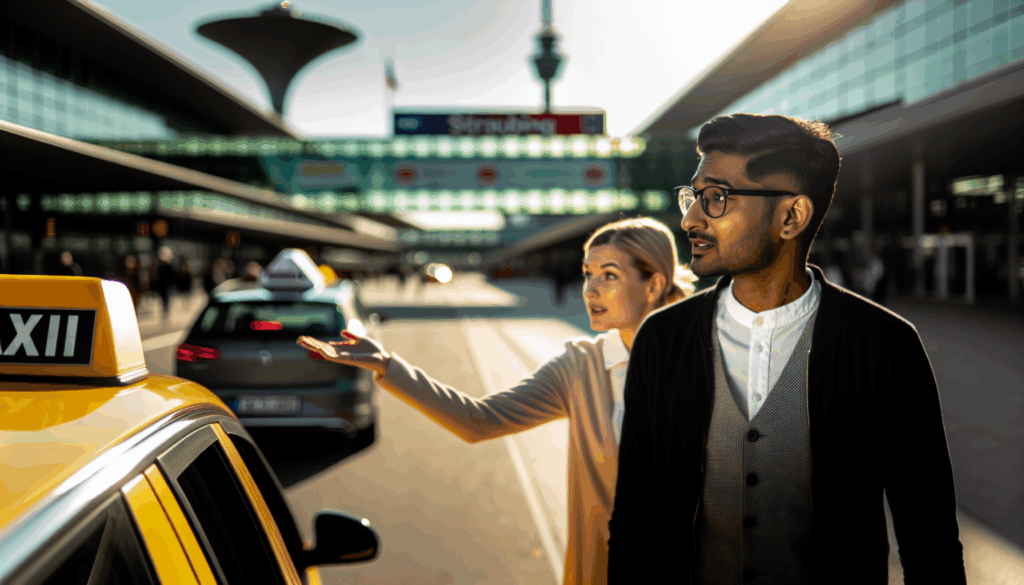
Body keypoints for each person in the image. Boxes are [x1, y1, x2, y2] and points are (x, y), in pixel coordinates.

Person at [607, 113, 966, 584]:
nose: (689, 218)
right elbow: (636, 522)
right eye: (693, 196)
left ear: (790, 216)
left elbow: (929, 537)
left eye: (716, 198)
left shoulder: (886, 345)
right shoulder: (662, 339)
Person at [299, 217, 698, 585]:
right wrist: (388, 365)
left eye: (608, 276)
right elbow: (479, 420)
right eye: (587, 274)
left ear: (655, 284)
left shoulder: (708, 362)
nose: (590, 290)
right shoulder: (581, 367)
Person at [153, 246, 178, 323]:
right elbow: (158, 277)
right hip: (163, 287)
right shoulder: (160, 266)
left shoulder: (168, 266)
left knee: (166, 301)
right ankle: (164, 313)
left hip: (167, 287)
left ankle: (166, 313)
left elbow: (173, 277)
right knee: (164, 301)